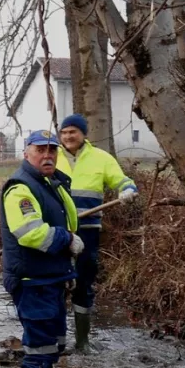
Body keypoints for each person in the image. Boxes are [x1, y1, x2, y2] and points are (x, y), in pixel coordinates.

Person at [0, 130, 83, 368]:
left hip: (50, 279)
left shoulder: (49, 183)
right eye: (40, 150)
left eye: (52, 150)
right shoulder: (21, 188)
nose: (47, 155)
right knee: (39, 350)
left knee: (53, 346)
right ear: (27, 153)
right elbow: (30, 233)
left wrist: (65, 269)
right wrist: (68, 239)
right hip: (32, 282)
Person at [56, 113, 138, 352]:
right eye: (65, 132)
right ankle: (58, 342)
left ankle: (82, 342)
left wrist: (128, 189)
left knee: (83, 283)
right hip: (57, 232)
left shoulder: (101, 158)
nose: (69, 136)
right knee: (56, 283)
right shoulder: (51, 156)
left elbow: (122, 181)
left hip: (88, 231)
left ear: (83, 134)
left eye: (73, 131)